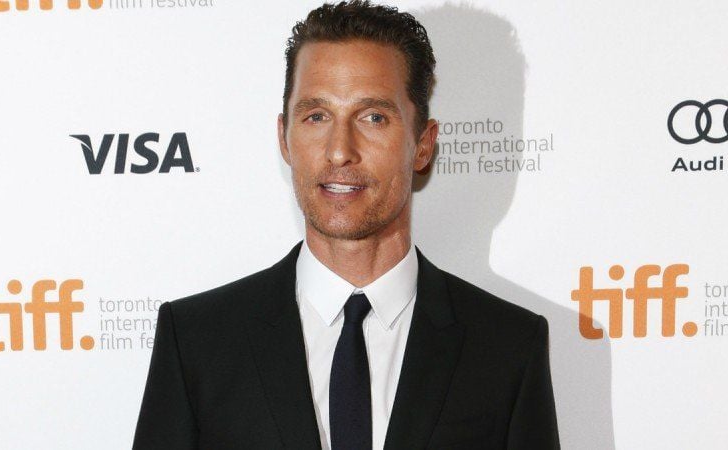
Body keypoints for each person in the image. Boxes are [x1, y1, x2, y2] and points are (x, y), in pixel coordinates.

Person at [133, 1, 560, 449]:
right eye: (316, 116)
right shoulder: (197, 341)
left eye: (373, 117)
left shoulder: (507, 347)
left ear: (423, 144)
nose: (340, 150)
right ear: (284, 137)